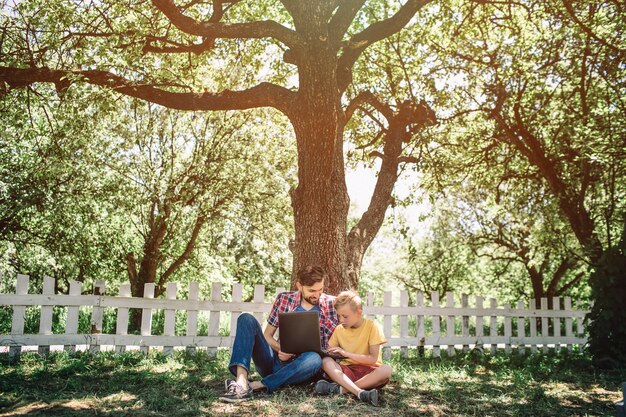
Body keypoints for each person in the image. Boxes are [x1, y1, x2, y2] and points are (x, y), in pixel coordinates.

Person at [219, 265, 338, 402]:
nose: (317, 295)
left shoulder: (332, 304)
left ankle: (260, 384)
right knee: (246, 319)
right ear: (299, 286)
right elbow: (267, 335)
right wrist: (280, 349)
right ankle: (241, 382)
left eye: (320, 289)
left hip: (305, 367)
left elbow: (341, 339)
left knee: (314, 358)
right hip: (276, 362)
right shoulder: (284, 299)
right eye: (312, 291)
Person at [314, 290, 392, 406]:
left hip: (369, 373)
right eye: (339, 316)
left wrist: (346, 353)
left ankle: (341, 389)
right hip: (347, 371)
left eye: (345, 316)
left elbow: (372, 359)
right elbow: (330, 352)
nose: (341, 320)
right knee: (326, 361)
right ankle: (360, 392)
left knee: (387, 370)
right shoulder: (339, 329)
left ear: (359, 312)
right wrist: (323, 351)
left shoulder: (372, 327)